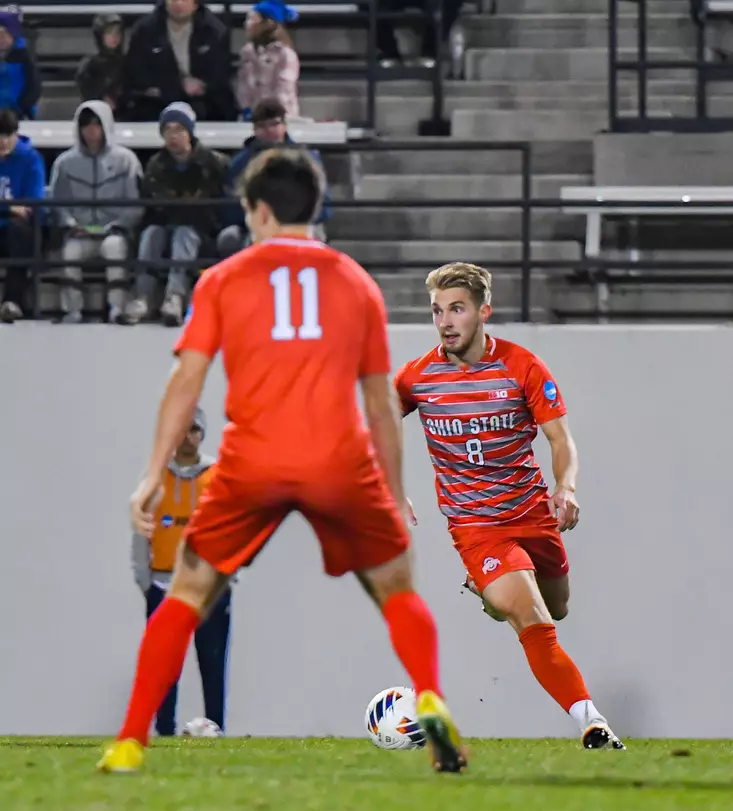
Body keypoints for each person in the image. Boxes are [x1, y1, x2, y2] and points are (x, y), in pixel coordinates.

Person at [97, 146, 466, 776]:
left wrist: (152, 476)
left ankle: (131, 741)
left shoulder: (223, 280)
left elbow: (184, 384)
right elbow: (380, 403)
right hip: (339, 460)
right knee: (396, 588)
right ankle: (429, 697)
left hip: (253, 460)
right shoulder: (355, 283)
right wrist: (392, 490)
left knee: (185, 591)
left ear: (259, 212)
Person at [395, 262, 625, 750]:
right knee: (531, 616)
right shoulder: (418, 377)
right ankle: (592, 722)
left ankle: (490, 592)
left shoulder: (521, 365)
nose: (446, 321)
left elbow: (561, 441)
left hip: (532, 514)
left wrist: (567, 488)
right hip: (477, 525)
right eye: (438, 311)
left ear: (484, 312)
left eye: (457, 309)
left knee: (557, 608)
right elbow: (372, 420)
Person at [132, 407, 231, 736]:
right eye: (182, 429)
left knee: (213, 661)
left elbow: (234, 528)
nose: (188, 437)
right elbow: (140, 532)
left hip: (209, 586)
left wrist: (229, 576)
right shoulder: (155, 477)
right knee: (163, 662)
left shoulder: (217, 476)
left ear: (202, 434)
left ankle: (215, 727)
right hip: (164, 585)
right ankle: (164, 730)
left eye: (194, 430)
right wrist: (146, 582)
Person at [124, 102, 228, 327]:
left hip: (201, 230)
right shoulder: (156, 166)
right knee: (151, 233)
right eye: (168, 131)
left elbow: (215, 204)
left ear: (189, 132)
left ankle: (175, 297)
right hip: (165, 224)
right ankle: (143, 296)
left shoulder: (213, 163)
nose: (173, 136)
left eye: (179, 129)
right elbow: (155, 203)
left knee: (185, 234)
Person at [49, 100, 142, 324]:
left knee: (115, 249)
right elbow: (57, 203)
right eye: (86, 125)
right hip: (78, 233)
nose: (91, 131)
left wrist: (116, 227)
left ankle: (117, 308)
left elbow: (135, 203)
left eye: (96, 125)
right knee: (70, 253)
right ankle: (72, 310)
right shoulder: (64, 163)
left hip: (113, 232)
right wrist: (70, 225)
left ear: (106, 126)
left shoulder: (126, 160)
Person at [217, 97, 330, 258]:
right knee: (230, 238)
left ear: (284, 125)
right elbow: (229, 204)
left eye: (274, 124)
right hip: (254, 225)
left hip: (301, 224)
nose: (269, 130)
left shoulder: (305, 160)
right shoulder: (241, 163)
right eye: (262, 126)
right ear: (254, 129)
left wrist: (296, 219)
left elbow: (323, 200)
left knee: (316, 238)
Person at [124, 0, 235, 122]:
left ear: (195, 3)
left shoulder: (215, 31)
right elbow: (136, 73)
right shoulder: (144, 31)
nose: (179, 3)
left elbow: (220, 73)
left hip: (204, 102)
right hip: (157, 103)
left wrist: (203, 86)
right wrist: (179, 85)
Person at [0, 106, 44, 322]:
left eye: (7, 136)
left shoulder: (31, 159)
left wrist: (13, 211)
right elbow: (15, 207)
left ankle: (12, 302)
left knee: (20, 231)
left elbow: (32, 203)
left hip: (19, 229)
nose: (2, 142)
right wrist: (8, 208)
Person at [235, 0, 299, 121]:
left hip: (279, 118)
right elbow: (243, 86)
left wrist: (271, 114)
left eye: (252, 19)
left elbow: (284, 90)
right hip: (253, 116)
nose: (247, 24)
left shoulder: (285, 54)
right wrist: (246, 108)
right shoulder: (247, 53)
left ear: (267, 23)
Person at [75, 12, 126, 114]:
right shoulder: (89, 66)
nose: (114, 37)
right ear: (100, 35)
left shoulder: (127, 63)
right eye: (109, 32)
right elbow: (87, 95)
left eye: (117, 32)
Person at [0, 7, 40, 119]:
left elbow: (34, 86)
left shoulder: (24, 57)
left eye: (4, 35)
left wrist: (22, 108)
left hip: (20, 114)